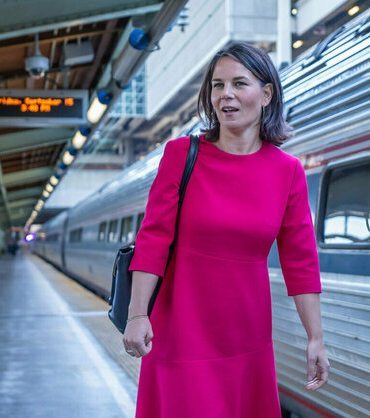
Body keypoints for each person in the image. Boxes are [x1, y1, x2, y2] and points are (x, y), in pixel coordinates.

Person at [122, 42, 330, 417]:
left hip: (246, 338)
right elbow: (152, 240)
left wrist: (315, 338)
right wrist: (137, 315)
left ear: (266, 94)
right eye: (217, 86)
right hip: (180, 330)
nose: (226, 95)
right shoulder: (181, 155)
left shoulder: (288, 172)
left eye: (239, 83)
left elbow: (300, 262)